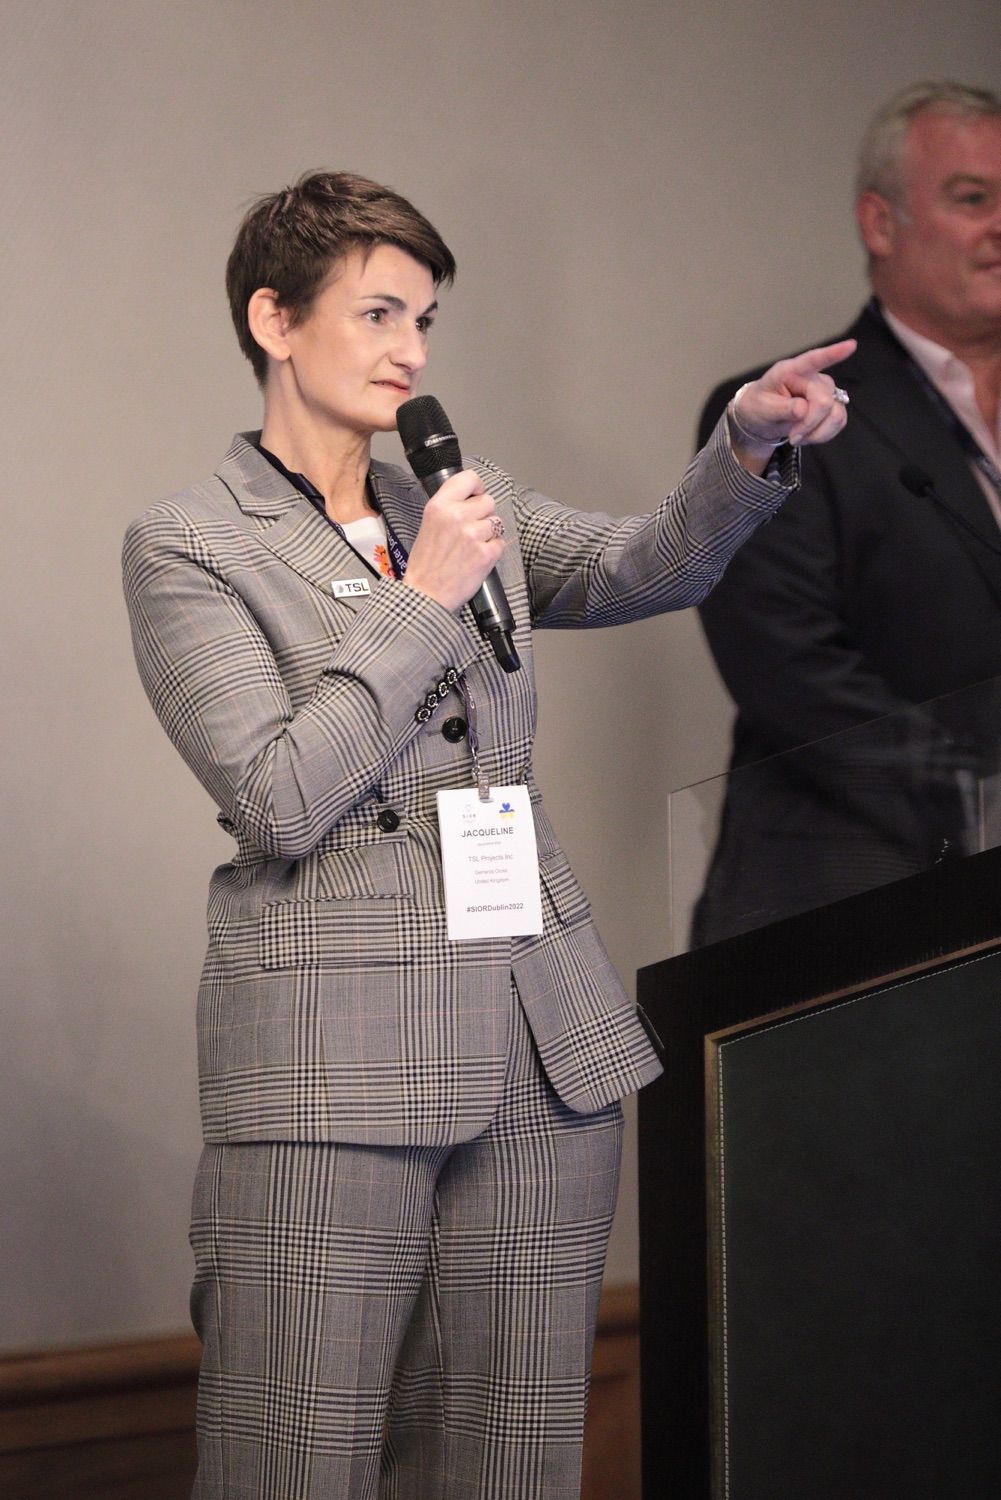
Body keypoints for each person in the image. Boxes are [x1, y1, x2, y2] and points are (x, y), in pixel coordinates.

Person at [122, 170, 850, 1499]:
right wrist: (425, 602)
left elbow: (649, 564)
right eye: (380, 312)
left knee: (509, 1464)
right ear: (274, 320)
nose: (412, 349)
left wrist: (743, 449)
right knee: (294, 1460)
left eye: (428, 320)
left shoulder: (455, 496)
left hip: (536, 1040)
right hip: (331, 1065)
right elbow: (277, 797)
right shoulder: (187, 545)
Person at [692, 81, 1001, 947]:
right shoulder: (790, 415)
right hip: (850, 904)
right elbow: (788, 668)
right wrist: (974, 795)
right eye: (971, 199)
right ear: (879, 222)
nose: (998, 225)